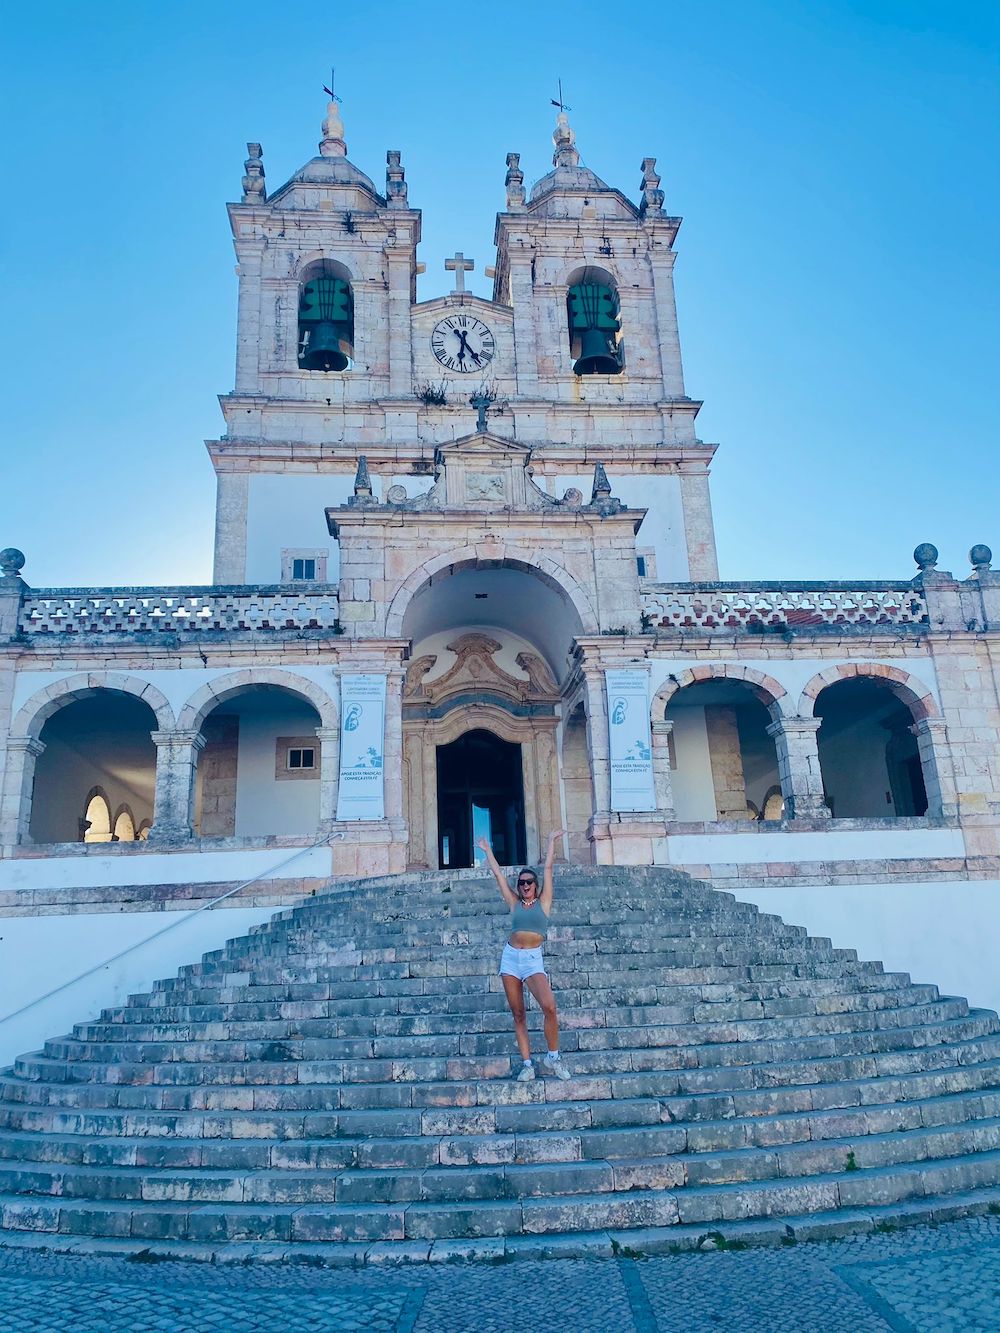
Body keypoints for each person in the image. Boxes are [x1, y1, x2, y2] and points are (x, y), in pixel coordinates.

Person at [476, 829, 571, 1082]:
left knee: (549, 1007)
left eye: (529, 882)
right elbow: (497, 874)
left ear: (536, 886)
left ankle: (553, 1057)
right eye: (521, 883)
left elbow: (549, 868)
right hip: (510, 959)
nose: (525, 885)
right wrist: (487, 851)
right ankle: (527, 1064)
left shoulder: (544, 902)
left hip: (532, 959)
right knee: (518, 1013)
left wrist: (550, 841)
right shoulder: (513, 902)